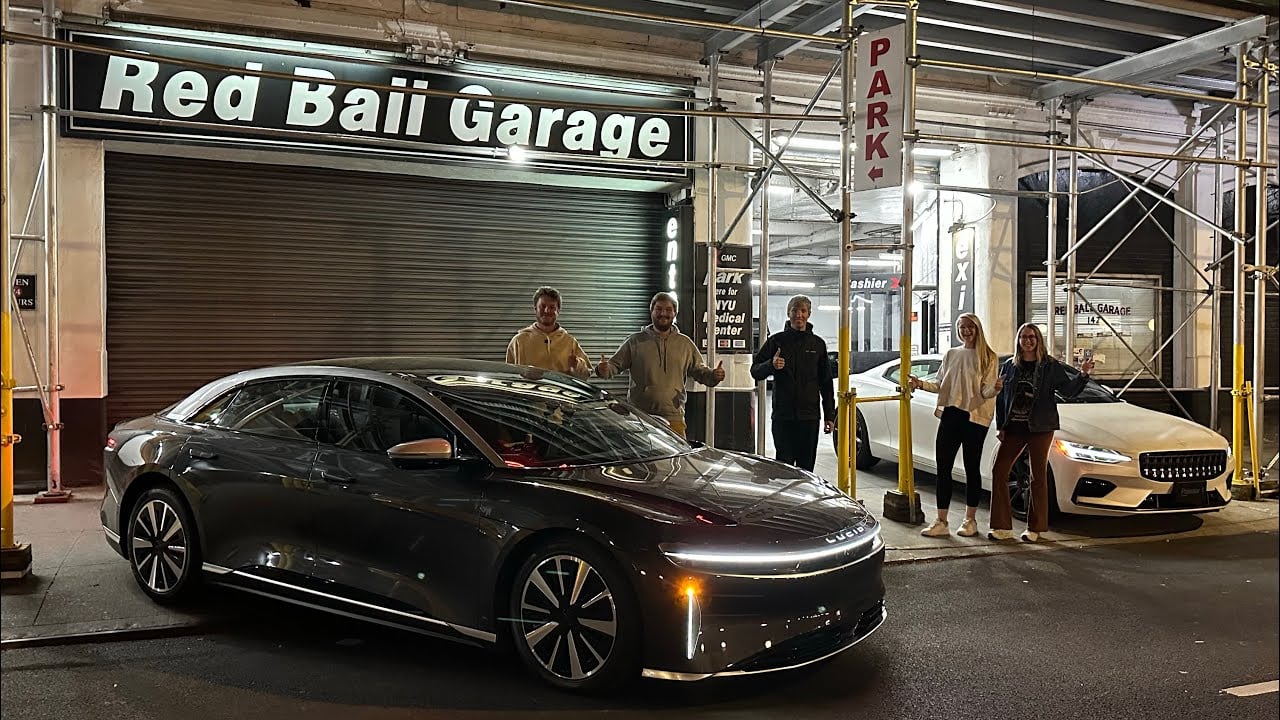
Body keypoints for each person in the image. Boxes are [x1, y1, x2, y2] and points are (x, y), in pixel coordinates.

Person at [988, 323, 1094, 543]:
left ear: (1038, 340)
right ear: (1018, 341)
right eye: (1024, 337)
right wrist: (1001, 425)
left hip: (1041, 427)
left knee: (1038, 476)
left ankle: (1035, 528)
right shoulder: (1010, 366)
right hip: (1014, 427)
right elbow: (1002, 397)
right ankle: (1002, 527)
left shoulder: (1049, 366)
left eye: (1032, 337)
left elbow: (1068, 391)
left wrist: (1083, 375)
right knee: (999, 470)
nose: (1028, 341)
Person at [909, 313, 1002, 539]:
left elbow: (985, 391)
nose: (966, 331)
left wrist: (995, 389)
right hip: (950, 414)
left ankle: (970, 520)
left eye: (970, 326)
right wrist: (920, 384)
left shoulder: (988, 356)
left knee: (971, 467)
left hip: (974, 418)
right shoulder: (951, 354)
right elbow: (941, 384)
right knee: (943, 467)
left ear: (978, 328)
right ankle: (941, 521)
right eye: (962, 327)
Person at [595, 292, 725, 438]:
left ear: (675, 313)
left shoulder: (685, 344)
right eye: (659, 309)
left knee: (679, 453)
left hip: (674, 419)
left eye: (668, 310)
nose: (663, 313)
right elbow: (613, 366)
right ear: (651, 311)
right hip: (640, 418)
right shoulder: (634, 341)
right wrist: (603, 369)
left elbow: (701, 372)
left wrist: (714, 376)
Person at [751, 295, 835, 472]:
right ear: (788, 313)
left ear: (809, 314)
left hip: (809, 418)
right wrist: (771, 365)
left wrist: (829, 415)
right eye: (795, 310)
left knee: (807, 469)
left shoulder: (817, 344)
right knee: (784, 468)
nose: (799, 315)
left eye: (803, 311)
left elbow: (826, 383)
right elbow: (755, 371)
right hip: (783, 417)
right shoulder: (776, 341)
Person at [506, 286, 590, 379]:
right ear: (535, 309)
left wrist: (577, 368)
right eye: (543, 306)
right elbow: (509, 376)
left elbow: (586, 374)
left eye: (552, 307)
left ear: (558, 311)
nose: (547, 310)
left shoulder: (570, 342)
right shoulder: (519, 341)